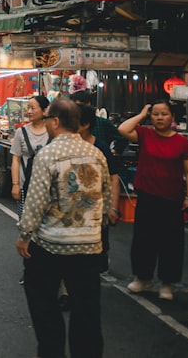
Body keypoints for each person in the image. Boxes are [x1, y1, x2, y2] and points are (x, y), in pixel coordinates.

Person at [16, 98, 110, 358]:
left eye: (47, 119)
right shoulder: (96, 154)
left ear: (55, 122)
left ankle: (52, 352)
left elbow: (36, 201)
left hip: (50, 246)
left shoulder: (47, 154)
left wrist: (25, 235)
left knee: (44, 307)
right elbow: (106, 198)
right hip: (89, 247)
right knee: (87, 312)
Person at [118, 101, 188, 300]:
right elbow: (122, 129)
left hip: (172, 199)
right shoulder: (145, 134)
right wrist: (142, 113)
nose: (159, 117)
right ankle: (143, 278)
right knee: (143, 240)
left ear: (172, 117)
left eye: (164, 114)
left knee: (171, 243)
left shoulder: (181, 142)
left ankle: (167, 283)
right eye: (155, 114)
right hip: (147, 197)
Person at [79, 103, 121, 273]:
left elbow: (114, 178)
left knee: (98, 249)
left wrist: (113, 207)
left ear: (86, 124)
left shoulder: (100, 148)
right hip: (75, 209)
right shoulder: (64, 146)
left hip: (97, 208)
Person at [10, 95, 50, 210]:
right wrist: (15, 184)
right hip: (25, 185)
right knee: (26, 222)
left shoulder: (52, 132)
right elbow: (16, 159)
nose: (29, 112)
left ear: (44, 111)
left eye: (33, 108)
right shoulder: (21, 132)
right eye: (28, 108)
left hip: (47, 187)